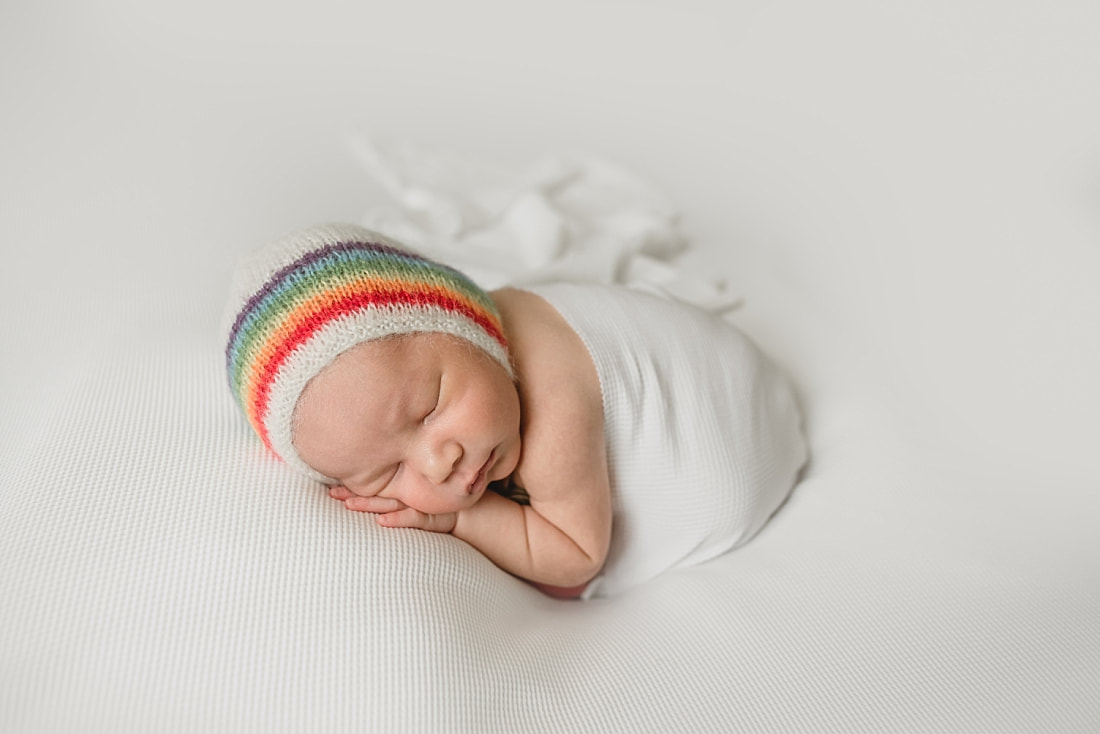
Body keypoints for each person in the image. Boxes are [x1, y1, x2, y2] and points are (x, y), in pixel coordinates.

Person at [223, 223, 806, 599]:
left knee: (709, 495)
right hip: (727, 354)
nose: (436, 462)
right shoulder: (474, 351)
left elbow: (577, 556)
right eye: (386, 474)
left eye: (428, 409)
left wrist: (462, 520)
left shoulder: (555, 412)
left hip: (738, 439)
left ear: (465, 320)